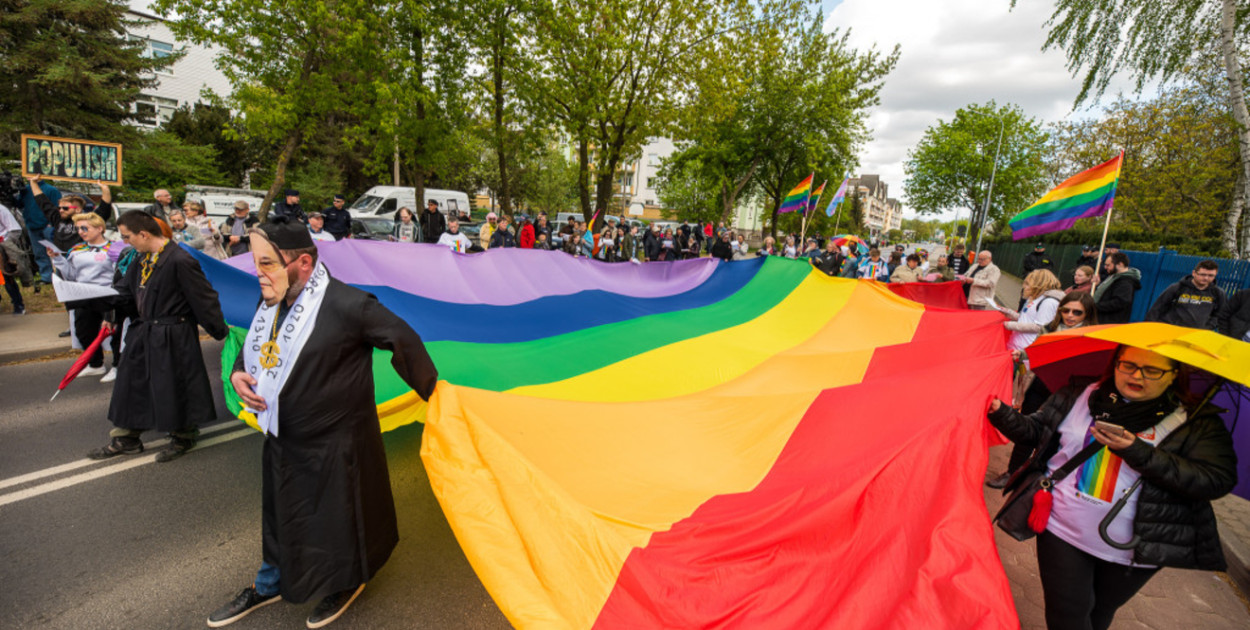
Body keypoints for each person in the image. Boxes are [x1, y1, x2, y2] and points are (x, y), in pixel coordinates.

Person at [211, 220, 438, 629]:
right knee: (281, 514)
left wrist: (436, 400)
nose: (257, 272)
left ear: (302, 262)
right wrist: (239, 372)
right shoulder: (273, 299)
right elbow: (258, 346)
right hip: (284, 436)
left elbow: (404, 340)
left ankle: (347, 581)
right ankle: (271, 581)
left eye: (266, 262)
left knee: (339, 518)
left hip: (337, 442)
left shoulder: (350, 304)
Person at [986, 345, 1236, 630]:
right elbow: (1034, 432)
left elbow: (1216, 480)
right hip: (1063, 527)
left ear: (1173, 376)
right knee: (1067, 614)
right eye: (1128, 365)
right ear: (1115, 364)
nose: (1137, 375)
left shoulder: (1194, 421)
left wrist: (1138, 451)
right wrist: (1001, 412)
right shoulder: (1079, 393)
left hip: (1135, 548)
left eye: (1152, 370)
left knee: (1098, 613)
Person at [88, 211, 228, 462]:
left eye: (127, 236)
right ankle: (127, 438)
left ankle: (183, 434)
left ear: (144, 234)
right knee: (131, 384)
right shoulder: (140, 260)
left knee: (173, 386)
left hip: (173, 333)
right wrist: (106, 309)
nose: (126, 242)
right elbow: (125, 293)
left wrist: (219, 331)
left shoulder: (180, 260)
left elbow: (204, 298)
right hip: (144, 331)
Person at [988, 291, 1098, 489]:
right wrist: (1021, 355)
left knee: (1055, 437)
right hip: (1041, 386)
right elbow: (1038, 351)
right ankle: (1013, 473)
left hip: (1070, 394)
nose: (1070, 316)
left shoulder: (1092, 337)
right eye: (1066, 310)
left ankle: (1044, 479)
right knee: (1026, 429)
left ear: (1087, 315)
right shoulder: (1049, 329)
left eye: (1077, 312)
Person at [48, 212, 122, 380]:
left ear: (100, 228)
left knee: (114, 332)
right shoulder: (76, 249)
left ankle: (118, 365)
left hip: (107, 295)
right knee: (84, 331)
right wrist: (58, 259)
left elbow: (118, 274)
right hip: (83, 294)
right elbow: (71, 275)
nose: (81, 232)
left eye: (85, 228)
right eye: (78, 229)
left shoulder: (114, 248)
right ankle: (96, 364)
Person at [1144, 260, 1225, 330]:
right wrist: (1149, 327)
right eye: (1203, 274)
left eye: (1211, 275)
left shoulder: (1218, 293)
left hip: (1195, 335)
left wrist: (1207, 327)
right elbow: (1157, 308)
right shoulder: (1177, 288)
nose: (1206, 278)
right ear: (1194, 273)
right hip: (1170, 330)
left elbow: (1221, 314)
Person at [16, 177, 60, 285]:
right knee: (39, 253)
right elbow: (18, 204)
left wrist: (53, 223)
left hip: (48, 226)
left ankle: (61, 276)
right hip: (32, 226)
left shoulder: (51, 190)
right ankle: (46, 277)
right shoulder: (26, 190)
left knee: (56, 252)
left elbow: (58, 207)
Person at [0, 201, 31, 313]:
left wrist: (5, 242)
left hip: (1, 248)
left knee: (7, 277)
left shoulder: (1, 209)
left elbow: (14, 229)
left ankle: (18, 305)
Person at [1094, 252, 1141, 324]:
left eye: (1108, 265)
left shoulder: (1125, 283)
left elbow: (1119, 302)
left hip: (1109, 322)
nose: (1105, 267)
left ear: (1120, 265)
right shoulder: (1114, 277)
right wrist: (1097, 285)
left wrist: (1095, 306)